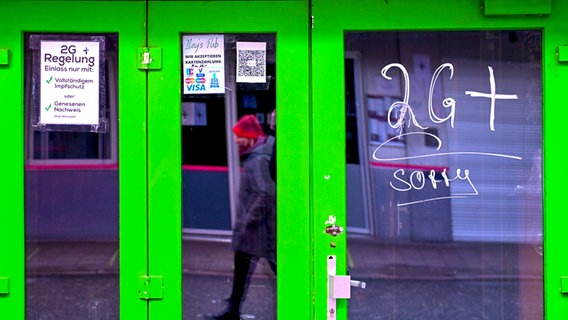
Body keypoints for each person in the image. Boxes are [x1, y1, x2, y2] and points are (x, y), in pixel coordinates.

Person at [211, 114, 276, 320]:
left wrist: (247, 220)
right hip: (253, 232)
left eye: (239, 136)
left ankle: (297, 302)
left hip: (258, 231)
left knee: (275, 267)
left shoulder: (257, 160)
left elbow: (265, 193)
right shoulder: (255, 156)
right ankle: (232, 309)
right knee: (242, 269)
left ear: (249, 137)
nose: (236, 140)